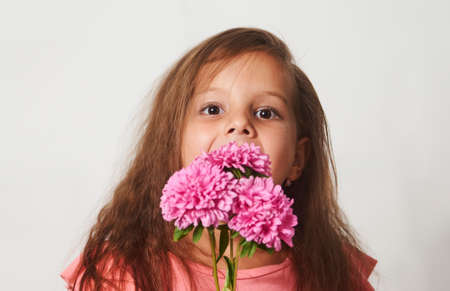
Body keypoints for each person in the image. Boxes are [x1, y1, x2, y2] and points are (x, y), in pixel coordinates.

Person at [61, 27, 377, 291]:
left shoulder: (336, 274)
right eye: (213, 109)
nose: (239, 124)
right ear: (173, 143)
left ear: (298, 157)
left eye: (265, 112)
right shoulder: (120, 274)